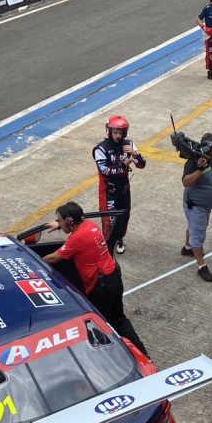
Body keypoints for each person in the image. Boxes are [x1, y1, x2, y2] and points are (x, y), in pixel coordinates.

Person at [43, 202, 148, 356]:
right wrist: (60, 225)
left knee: (103, 324)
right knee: (119, 319)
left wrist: (32, 260)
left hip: (102, 288)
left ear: (70, 221)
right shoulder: (90, 226)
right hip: (113, 279)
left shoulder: (77, 238)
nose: (58, 223)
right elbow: (72, 229)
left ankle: (128, 356)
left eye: (60, 220)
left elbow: (54, 258)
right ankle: (143, 354)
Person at [93, 115, 146, 254]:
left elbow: (141, 165)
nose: (118, 135)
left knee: (124, 216)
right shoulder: (100, 149)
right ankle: (107, 244)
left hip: (124, 188)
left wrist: (135, 155)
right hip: (108, 190)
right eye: (115, 132)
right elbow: (105, 171)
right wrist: (124, 164)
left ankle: (119, 238)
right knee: (108, 220)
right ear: (109, 131)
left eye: (121, 132)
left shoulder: (129, 145)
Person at [181, 133, 212, 282]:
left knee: (195, 226)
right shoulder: (193, 161)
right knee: (198, 234)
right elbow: (186, 182)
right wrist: (199, 169)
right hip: (195, 205)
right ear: (206, 146)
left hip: (204, 205)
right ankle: (201, 266)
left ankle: (187, 248)